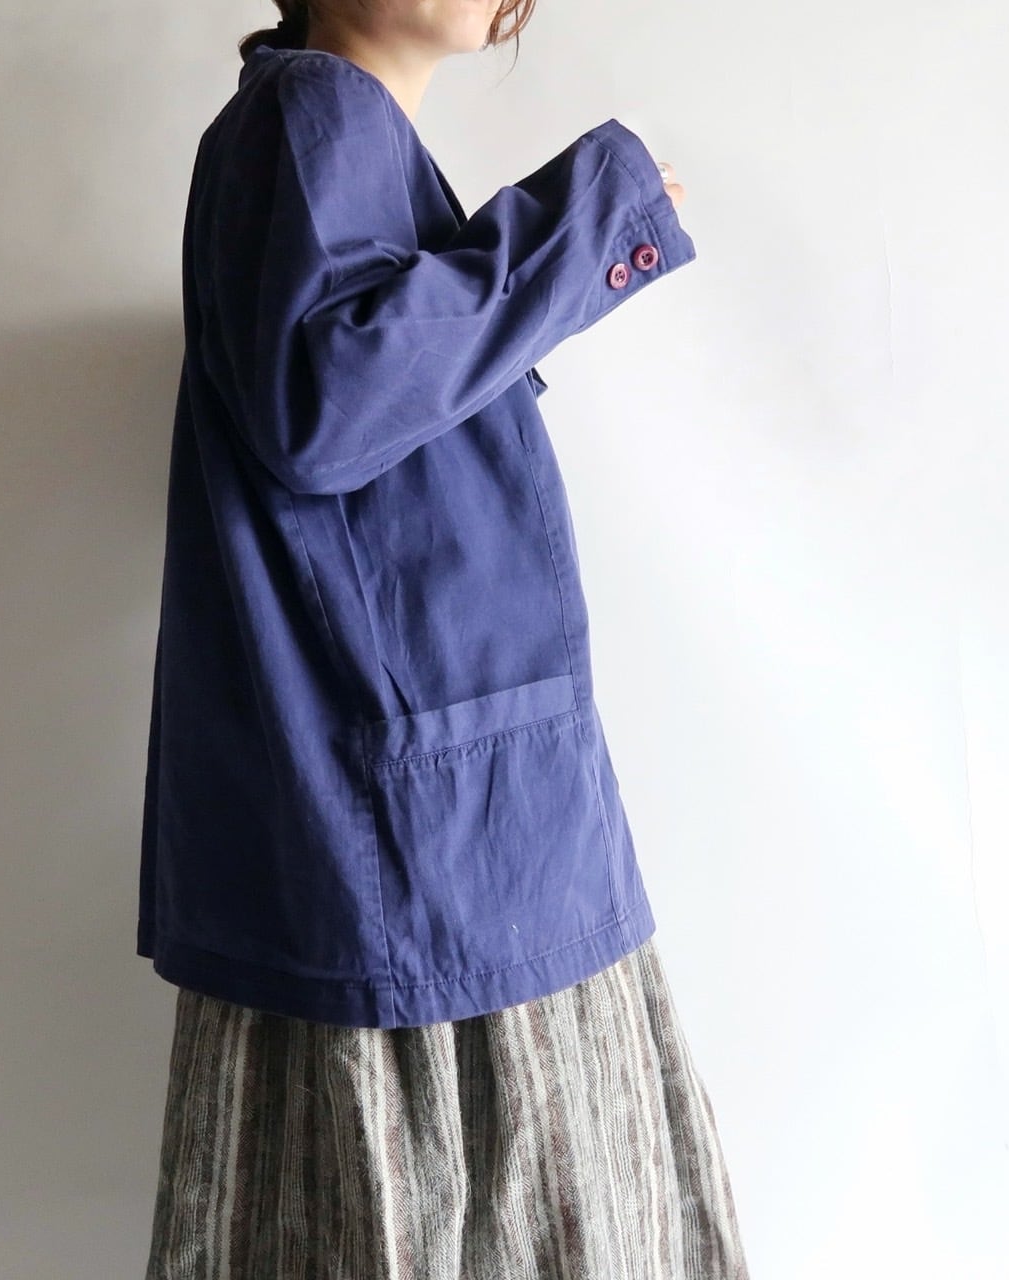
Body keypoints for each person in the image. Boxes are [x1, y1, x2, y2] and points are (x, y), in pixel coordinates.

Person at [139, 2, 750, 1276]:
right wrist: (583, 221)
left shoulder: (327, 132)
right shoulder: (311, 111)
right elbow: (329, 401)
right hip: (429, 853)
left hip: (442, 825)